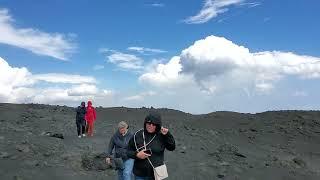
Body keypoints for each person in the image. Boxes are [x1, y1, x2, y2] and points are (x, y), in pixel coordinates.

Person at [127, 112, 175, 180]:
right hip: (140, 174)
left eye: (154, 124)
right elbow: (128, 152)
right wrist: (137, 155)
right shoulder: (137, 135)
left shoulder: (162, 135)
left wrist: (168, 135)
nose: (151, 126)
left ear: (158, 125)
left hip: (156, 174)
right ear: (145, 123)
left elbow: (172, 147)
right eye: (149, 123)